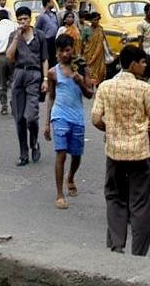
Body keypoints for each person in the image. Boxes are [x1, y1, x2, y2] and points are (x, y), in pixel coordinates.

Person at [91, 45, 150, 256]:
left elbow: (96, 119)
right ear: (132, 64)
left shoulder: (106, 87)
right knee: (140, 202)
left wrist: (111, 129)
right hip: (139, 153)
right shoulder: (144, 89)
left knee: (114, 196)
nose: (144, 65)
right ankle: (139, 253)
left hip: (114, 152)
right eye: (142, 62)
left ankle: (116, 245)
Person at [45, 33, 95, 209]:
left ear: (73, 49)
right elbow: (51, 97)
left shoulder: (81, 68)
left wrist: (80, 81)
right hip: (59, 116)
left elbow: (90, 94)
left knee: (76, 154)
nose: (65, 54)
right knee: (61, 153)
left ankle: (71, 177)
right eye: (61, 51)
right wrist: (47, 123)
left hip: (77, 117)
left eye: (68, 50)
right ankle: (59, 194)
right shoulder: (53, 72)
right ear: (57, 52)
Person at [9, 6, 44, 165]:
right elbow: (10, 56)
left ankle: (34, 142)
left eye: (25, 19)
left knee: (31, 117)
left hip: (34, 75)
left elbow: (44, 59)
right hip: (18, 75)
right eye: (20, 19)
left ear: (30, 19)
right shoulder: (14, 35)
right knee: (19, 119)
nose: (23, 22)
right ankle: (23, 154)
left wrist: (46, 80)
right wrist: (17, 37)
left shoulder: (39, 35)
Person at [80, 9, 108, 85]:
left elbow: (104, 42)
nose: (96, 22)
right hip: (88, 54)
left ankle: (98, 85)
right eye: (94, 20)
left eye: (97, 20)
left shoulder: (100, 29)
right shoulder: (86, 29)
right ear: (91, 20)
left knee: (99, 72)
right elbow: (82, 42)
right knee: (89, 72)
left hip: (99, 56)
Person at [36, 0, 60, 67]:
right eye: (52, 2)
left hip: (54, 40)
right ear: (47, 3)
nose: (53, 4)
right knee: (47, 58)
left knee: (54, 59)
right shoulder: (41, 16)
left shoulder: (54, 14)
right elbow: (37, 28)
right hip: (46, 40)